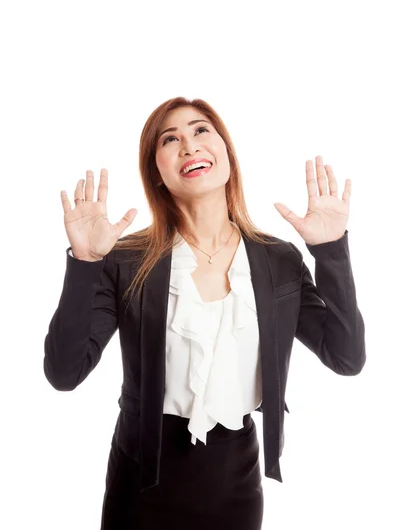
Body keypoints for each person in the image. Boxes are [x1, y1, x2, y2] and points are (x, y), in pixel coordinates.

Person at [43, 97, 366, 529]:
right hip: (141, 486)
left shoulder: (278, 260)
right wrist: (85, 264)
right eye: (170, 139)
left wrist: (330, 253)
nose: (189, 146)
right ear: (155, 171)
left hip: (236, 487)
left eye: (200, 131)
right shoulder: (126, 260)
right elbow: (64, 373)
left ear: (226, 152)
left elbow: (346, 357)